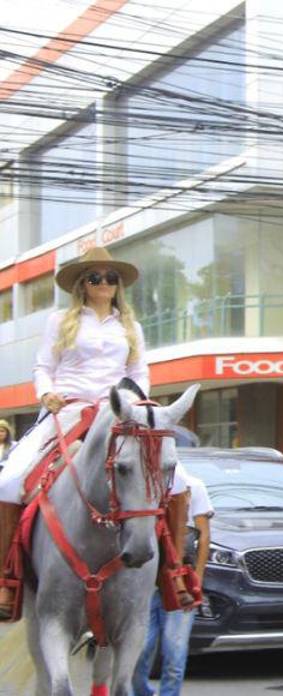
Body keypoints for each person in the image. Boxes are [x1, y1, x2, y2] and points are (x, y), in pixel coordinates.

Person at [0, 247, 193, 620]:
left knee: (180, 483)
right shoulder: (61, 320)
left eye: (110, 278)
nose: (103, 284)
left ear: (118, 284)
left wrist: (139, 404)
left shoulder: (130, 326)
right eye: (95, 277)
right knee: (8, 480)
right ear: (82, 284)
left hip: (121, 413)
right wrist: (46, 393)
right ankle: (6, 580)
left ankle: (175, 572)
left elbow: (139, 373)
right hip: (69, 408)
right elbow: (43, 366)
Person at [132, 465, 213, 696]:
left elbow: (204, 535)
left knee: (174, 652)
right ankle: (142, 692)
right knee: (139, 651)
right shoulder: (144, 486)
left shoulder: (194, 485)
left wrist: (197, 576)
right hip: (146, 583)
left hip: (181, 581)